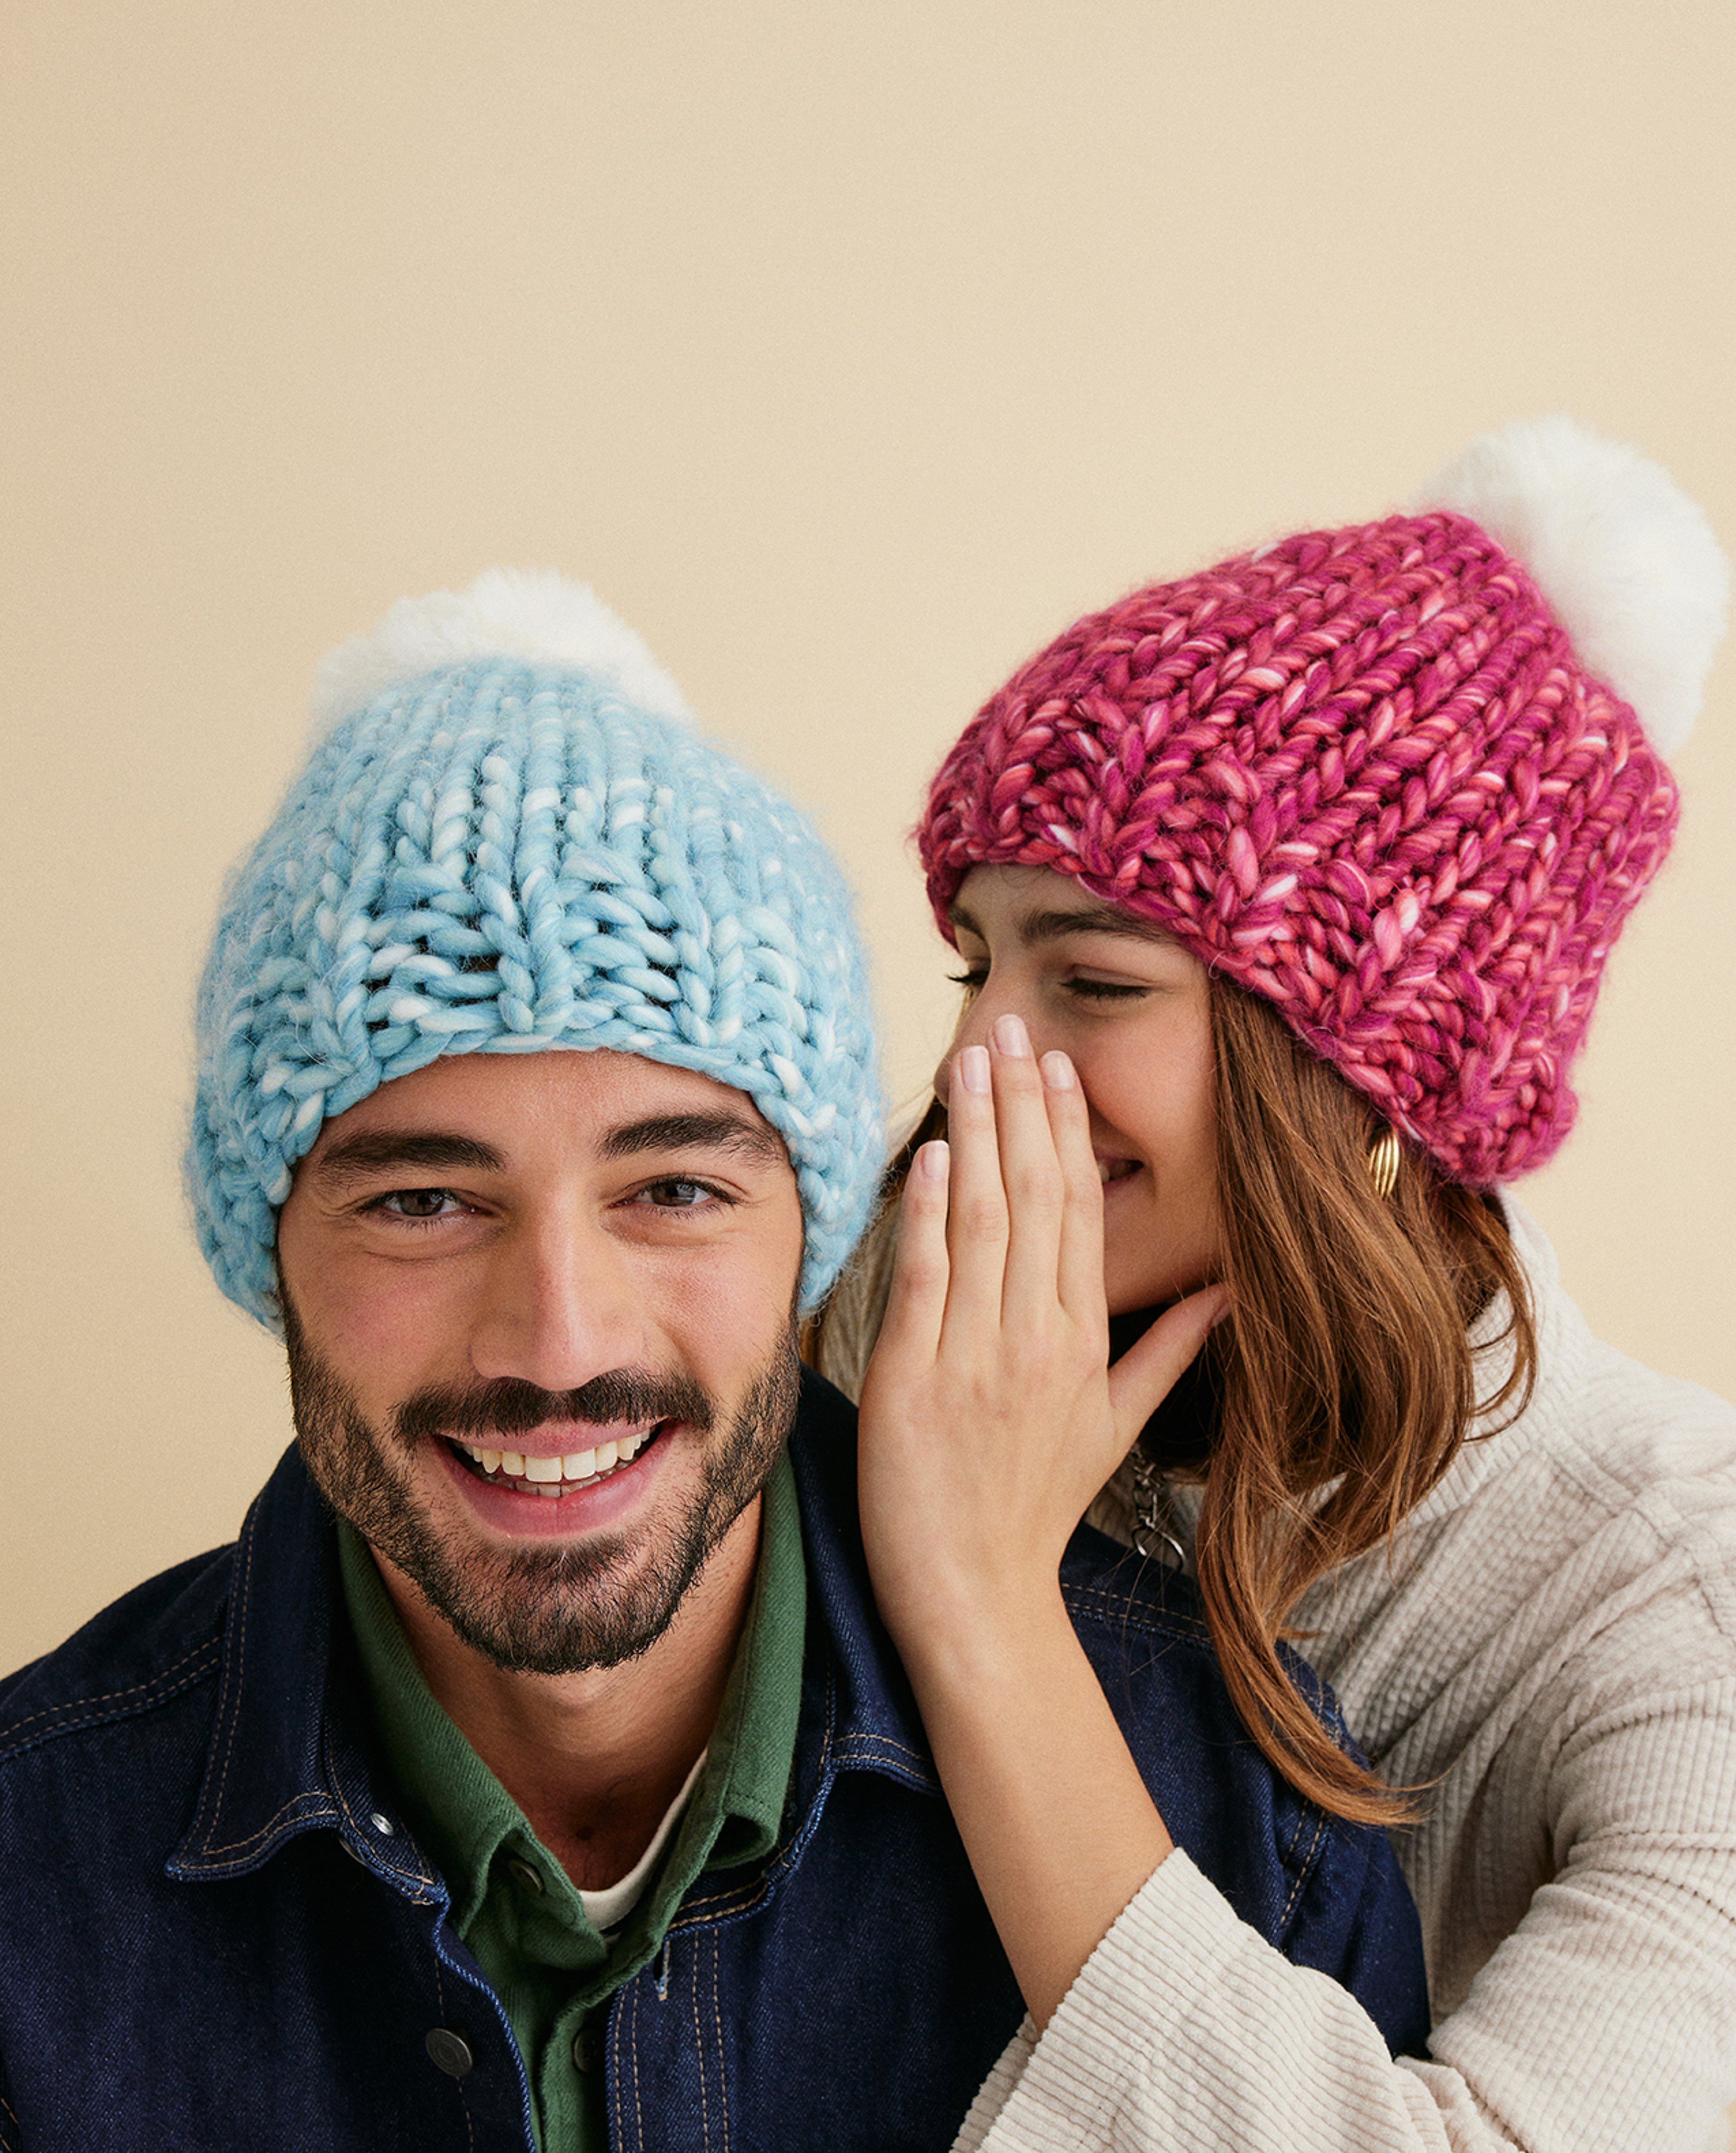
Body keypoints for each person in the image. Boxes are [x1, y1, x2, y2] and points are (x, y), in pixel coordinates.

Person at [0, 570, 1425, 2152]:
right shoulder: (25, 1875)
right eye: (423, 1199)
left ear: (808, 1229)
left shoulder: (1239, 1820)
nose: (561, 1342)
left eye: (672, 1188)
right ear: (265, 1244)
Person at [811, 415, 1736, 2152]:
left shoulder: (1678, 1600)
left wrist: (989, 1621)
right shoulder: (879, 1353)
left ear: (1368, 1084)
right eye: (974, 961)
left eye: (1091, 981)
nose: (982, 1062)